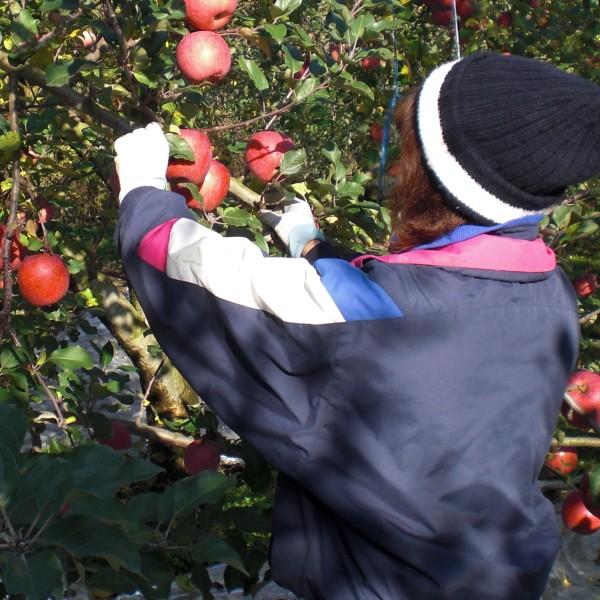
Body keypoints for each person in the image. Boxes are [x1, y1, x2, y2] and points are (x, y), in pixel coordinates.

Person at [114, 52, 600, 600]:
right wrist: (312, 245)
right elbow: (425, 300)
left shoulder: (360, 323)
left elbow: (187, 273)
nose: (395, 166)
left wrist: (143, 193)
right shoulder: (550, 295)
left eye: (410, 149)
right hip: (499, 575)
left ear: (440, 181)